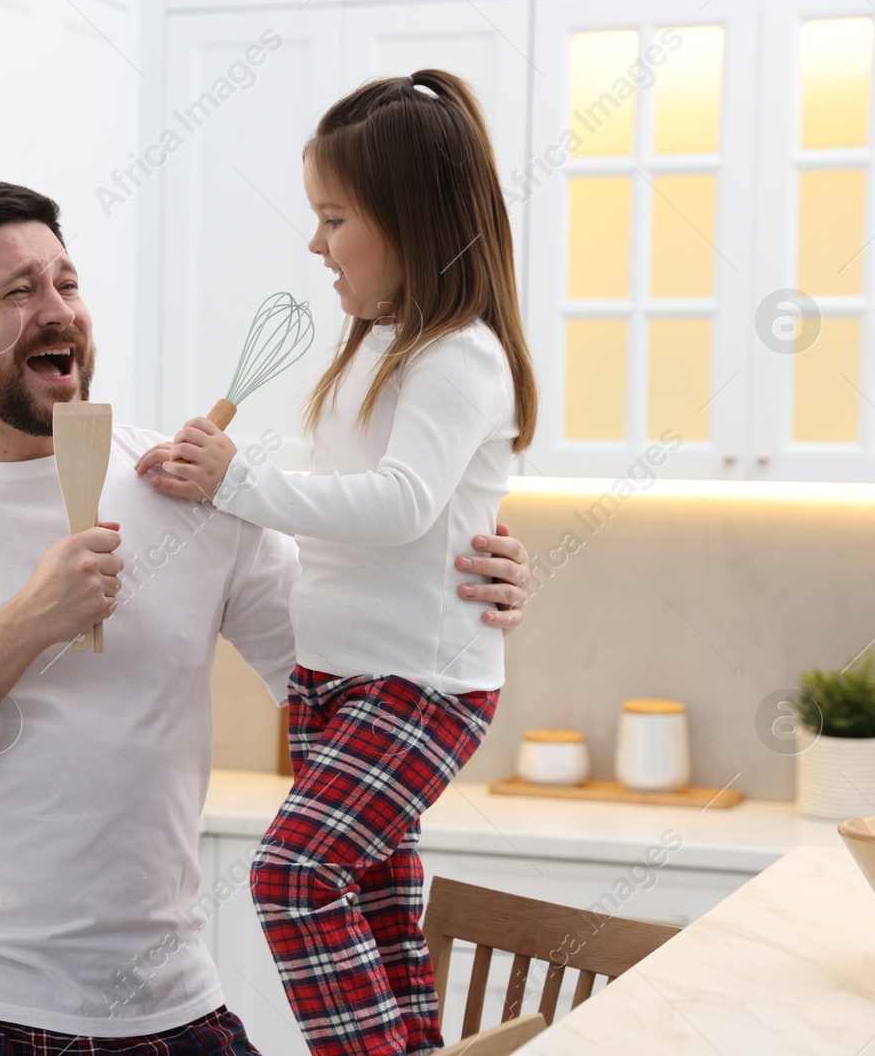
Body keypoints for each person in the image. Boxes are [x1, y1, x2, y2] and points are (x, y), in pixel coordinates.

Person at [0, 178, 533, 1055]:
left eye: (66, 283)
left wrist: (450, 601)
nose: (57, 311)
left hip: (167, 997)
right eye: (16, 294)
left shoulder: (182, 485)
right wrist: (27, 620)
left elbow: (334, 661)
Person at [140, 70, 537, 1056]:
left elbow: (400, 506)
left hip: (417, 683)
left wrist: (235, 480)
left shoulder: (459, 357)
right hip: (343, 681)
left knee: (292, 876)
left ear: (409, 219)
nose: (315, 244)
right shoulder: (382, 349)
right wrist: (223, 486)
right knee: (377, 902)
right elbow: (358, 521)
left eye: (332, 217)